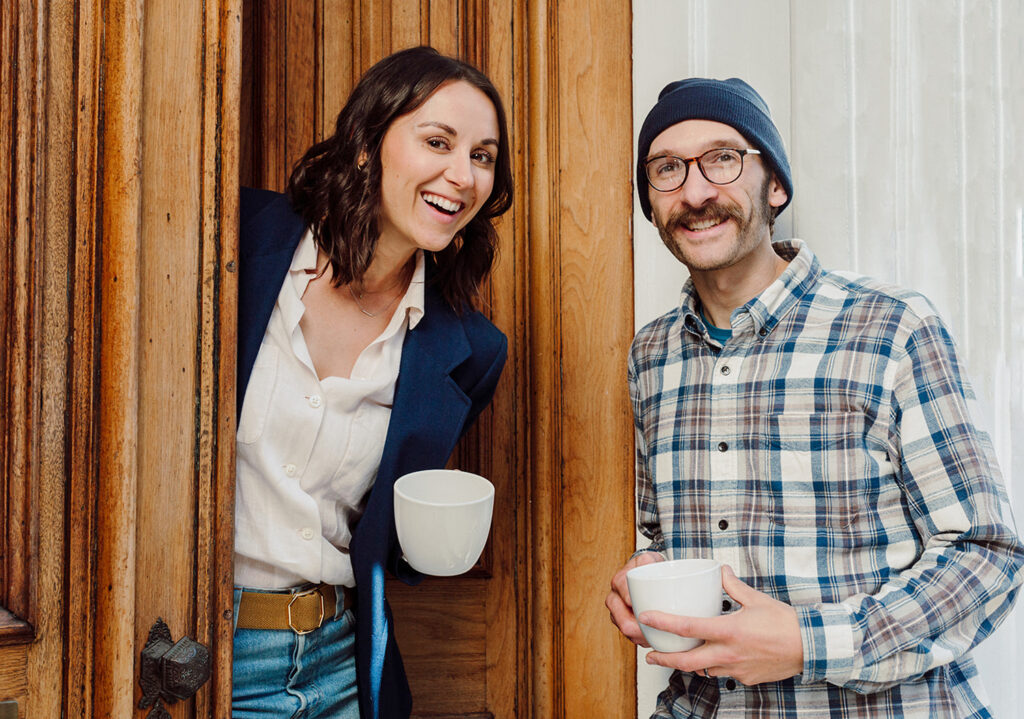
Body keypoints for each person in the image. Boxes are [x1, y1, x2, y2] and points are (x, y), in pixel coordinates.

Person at [605, 77, 1024, 718]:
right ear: (650, 202)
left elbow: (985, 556)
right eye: (666, 169)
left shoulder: (891, 328)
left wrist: (809, 644)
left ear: (775, 184)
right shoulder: (651, 357)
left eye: (722, 158)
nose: (695, 191)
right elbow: (665, 532)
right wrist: (648, 574)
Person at [232, 46, 512, 719]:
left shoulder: (470, 351)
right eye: (437, 141)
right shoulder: (236, 235)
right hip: (194, 652)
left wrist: (428, 540)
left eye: (482, 155)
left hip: (340, 668)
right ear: (367, 142)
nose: (462, 174)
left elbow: (387, 539)